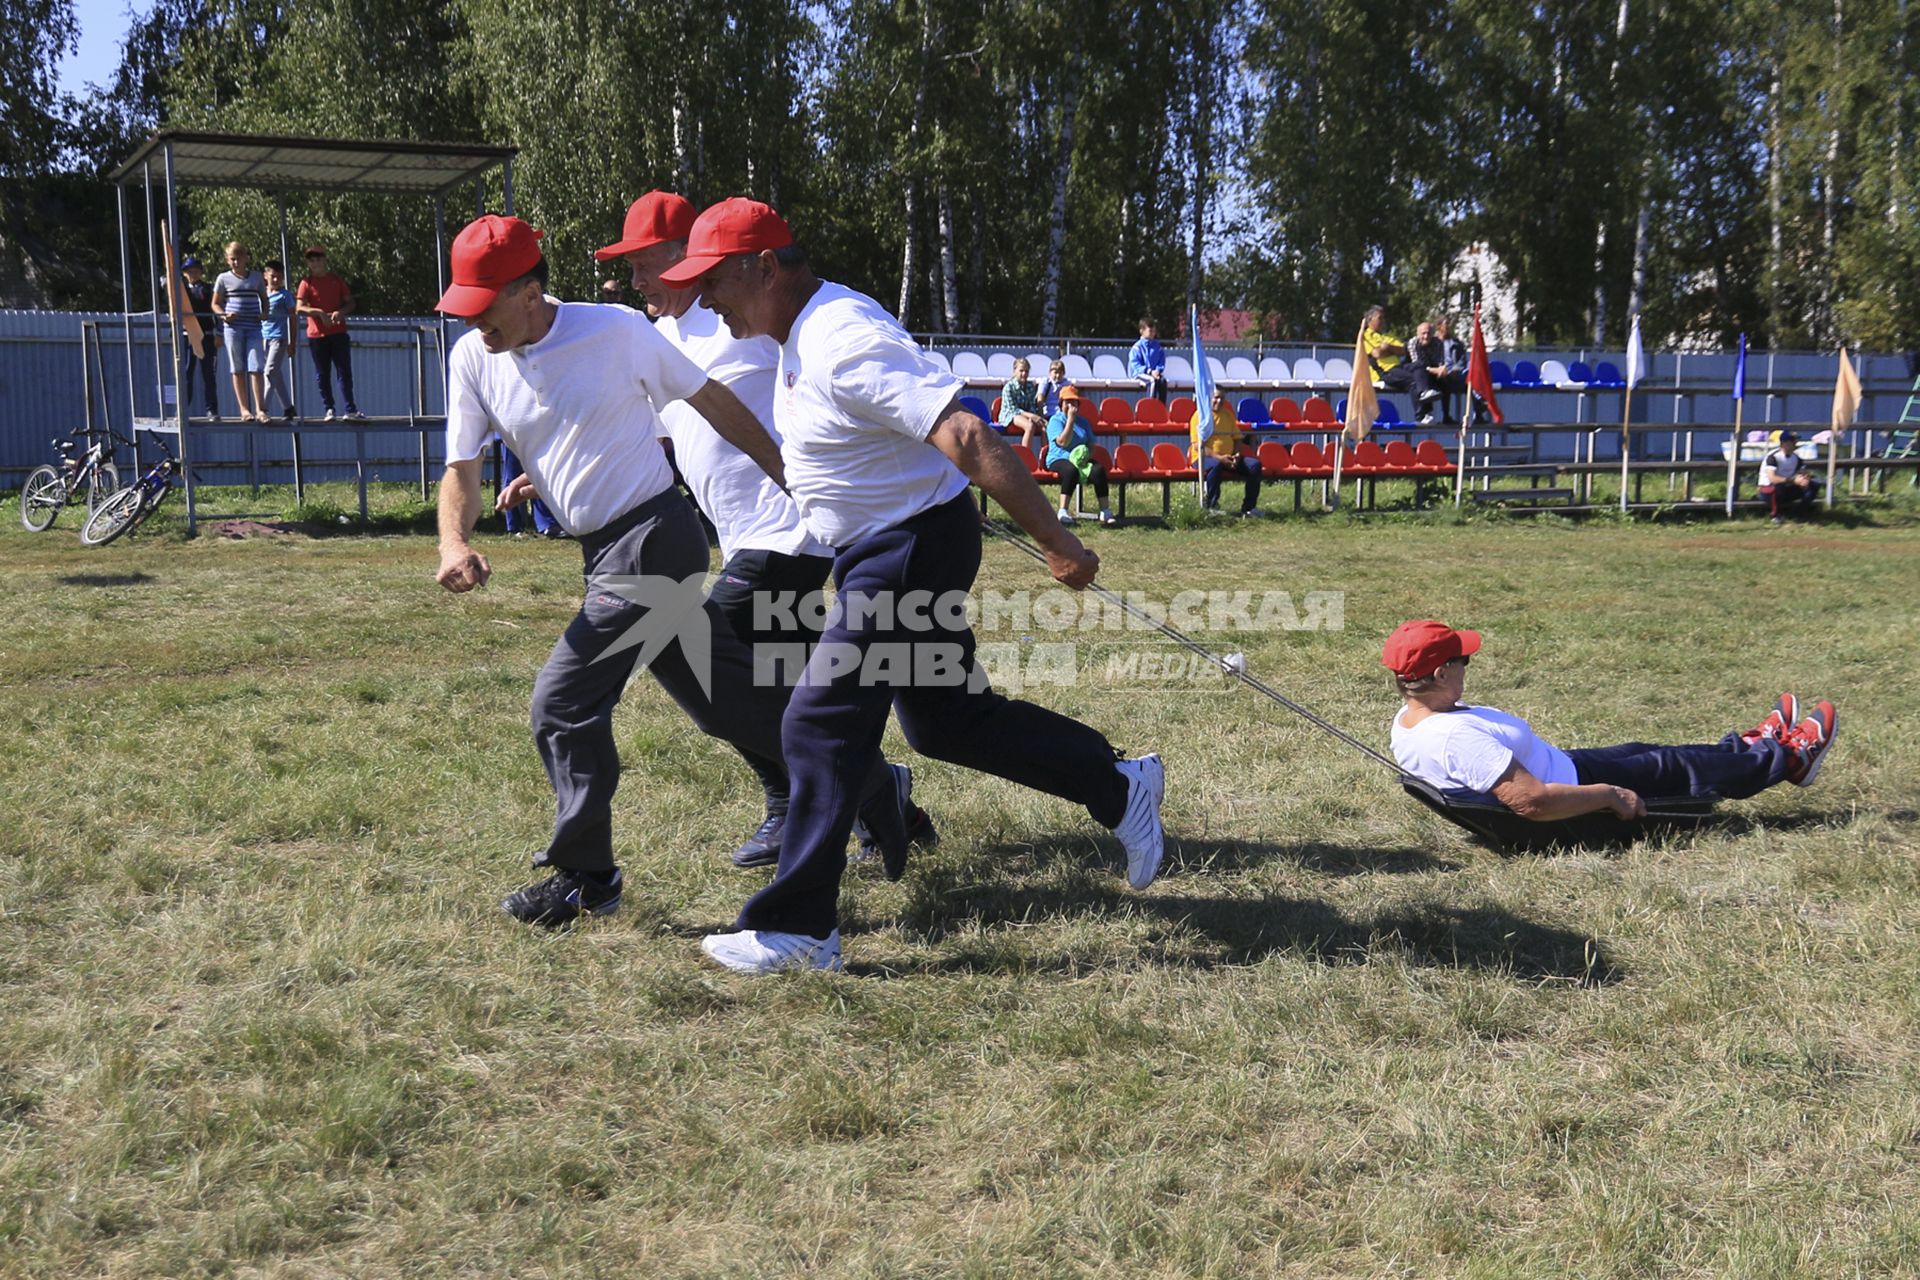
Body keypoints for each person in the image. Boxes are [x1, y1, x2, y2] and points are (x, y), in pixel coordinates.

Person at [658, 197, 1166, 974]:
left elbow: (965, 433)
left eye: (712, 281)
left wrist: (1058, 543)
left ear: (762, 267)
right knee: (944, 723)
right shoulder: (801, 330)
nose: (704, 298)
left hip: (903, 550)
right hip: (892, 544)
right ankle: (1118, 784)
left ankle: (799, 929)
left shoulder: (839, 340)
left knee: (818, 720)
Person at [433, 213, 913, 929]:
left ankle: (588, 878)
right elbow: (461, 470)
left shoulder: (618, 331)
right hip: (602, 549)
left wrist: (791, 477)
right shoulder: (474, 358)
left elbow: (714, 403)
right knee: (727, 701)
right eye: (462, 308)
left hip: (657, 539)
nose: (475, 325)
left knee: (563, 702)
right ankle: (872, 783)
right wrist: (452, 542)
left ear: (530, 292)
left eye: (485, 306)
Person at [596, 188, 935, 871]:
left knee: (718, 665)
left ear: (681, 255)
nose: (633, 281)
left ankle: (801, 802)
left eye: (641, 264)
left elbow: (816, 367)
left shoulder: (736, 321)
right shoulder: (661, 338)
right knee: (782, 687)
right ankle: (882, 796)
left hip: (790, 530)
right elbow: (666, 432)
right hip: (745, 533)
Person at [1383, 619, 1838, 822]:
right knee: (1680, 771)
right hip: (1574, 792)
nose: (1467, 665)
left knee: (1659, 754)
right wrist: (1608, 795)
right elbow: (1532, 803)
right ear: (1441, 673)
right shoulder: (1455, 738)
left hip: (1567, 768)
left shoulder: (1412, 718)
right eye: (1463, 660)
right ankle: (1790, 759)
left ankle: (1751, 746)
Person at [1021, 383, 1113, 526]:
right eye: (1067, 402)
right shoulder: (1055, 420)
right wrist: (1070, 420)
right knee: (1071, 470)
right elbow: (1063, 442)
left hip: (1080, 460)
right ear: (1061, 404)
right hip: (1058, 459)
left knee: (1098, 470)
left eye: (1074, 401)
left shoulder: (1083, 422)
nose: (1071, 405)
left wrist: (1085, 457)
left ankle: (1105, 511)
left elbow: (1091, 444)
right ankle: (1063, 511)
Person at [296, 246, 363, 420]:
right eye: (312, 260)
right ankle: (329, 408)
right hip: (317, 335)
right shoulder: (306, 283)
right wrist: (317, 312)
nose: (315, 263)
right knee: (322, 373)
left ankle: (350, 409)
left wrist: (340, 312)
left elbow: (350, 303)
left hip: (338, 332)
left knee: (344, 371)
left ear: (325, 260)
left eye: (318, 259)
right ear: (308, 264)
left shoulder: (336, 280)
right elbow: (299, 307)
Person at [213, 240, 269, 422]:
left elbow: (264, 298)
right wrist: (224, 315)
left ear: (246, 258)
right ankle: (244, 409)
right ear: (227, 260)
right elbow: (215, 303)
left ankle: (260, 409)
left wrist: (265, 313)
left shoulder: (256, 278)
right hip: (233, 328)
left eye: (239, 258)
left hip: (253, 327)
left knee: (257, 367)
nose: (236, 262)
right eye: (232, 259)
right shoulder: (223, 279)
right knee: (237, 368)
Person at [1189, 386, 1264, 517]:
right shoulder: (1199, 416)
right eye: (1216, 398)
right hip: (1203, 458)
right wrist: (1219, 458)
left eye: (1222, 398)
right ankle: (1211, 507)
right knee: (1215, 465)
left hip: (1228, 458)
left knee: (1254, 465)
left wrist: (1236, 455)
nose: (1219, 401)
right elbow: (1197, 446)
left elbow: (1238, 439)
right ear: (1209, 398)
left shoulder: (1228, 415)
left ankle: (1249, 507)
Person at [179, 257, 221, 418]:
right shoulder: (181, 291)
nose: (193, 274)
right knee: (186, 372)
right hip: (188, 335)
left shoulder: (208, 289)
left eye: (196, 271)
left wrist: (219, 332)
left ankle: (212, 409)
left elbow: (216, 309)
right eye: (190, 271)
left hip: (206, 335)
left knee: (208, 373)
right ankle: (183, 409)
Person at [260, 259, 298, 420]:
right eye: (273, 276)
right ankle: (288, 407)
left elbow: (293, 318)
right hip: (264, 338)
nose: (276, 280)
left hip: (279, 338)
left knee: (269, 372)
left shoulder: (285, 296)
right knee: (276, 375)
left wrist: (292, 342)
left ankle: (263, 408)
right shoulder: (262, 294)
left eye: (279, 277)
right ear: (266, 276)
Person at [1362, 306, 1420, 400]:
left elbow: (1403, 351)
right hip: (1384, 372)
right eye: (1380, 318)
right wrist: (1393, 351)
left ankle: (1426, 412)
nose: (1383, 321)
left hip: (1398, 368)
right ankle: (1422, 414)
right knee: (1413, 380)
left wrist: (1388, 347)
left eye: (1384, 318)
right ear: (1370, 320)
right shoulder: (1365, 336)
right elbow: (1377, 354)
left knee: (1420, 371)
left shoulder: (1388, 336)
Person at [1759, 431, 1815, 524]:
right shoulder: (1773, 457)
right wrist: (1793, 481)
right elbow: (1772, 478)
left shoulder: (1796, 458)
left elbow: (1803, 471)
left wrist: (1805, 479)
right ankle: (1775, 515)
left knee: (1812, 486)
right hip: (1768, 489)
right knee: (1778, 487)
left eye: (1795, 441)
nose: (1795, 444)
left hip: (1787, 487)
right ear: (1784, 443)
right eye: (1792, 441)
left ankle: (1799, 514)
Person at [1403, 319, 1447, 425]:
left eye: (1428, 333)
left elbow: (1440, 361)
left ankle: (1446, 416)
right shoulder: (1413, 343)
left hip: (1430, 370)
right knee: (1419, 373)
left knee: (1446, 382)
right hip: (1411, 369)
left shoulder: (1438, 343)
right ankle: (1422, 414)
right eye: (1423, 333)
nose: (1426, 336)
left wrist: (1442, 369)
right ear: (1418, 334)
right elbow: (1419, 364)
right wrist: (1436, 370)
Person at [997, 357, 1047, 438]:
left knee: (1044, 427)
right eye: (1021, 371)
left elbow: (1032, 405)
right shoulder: (1009, 387)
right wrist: (1031, 416)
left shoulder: (1030, 386)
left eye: (1026, 371)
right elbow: (1013, 409)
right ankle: (1025, 451)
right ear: (1014, 371)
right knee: (1029, 426)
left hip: (1026, 415)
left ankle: (1047, 450)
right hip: (1010, 416)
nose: (1024, 373)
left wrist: (1033, 416)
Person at [1127, 318, 1169, 401]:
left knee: (1163, 382)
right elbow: (1135, 365)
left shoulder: (1157, 346)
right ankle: (1150, 408)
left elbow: (1161, 361)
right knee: (1152, 381)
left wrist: (1158, 370)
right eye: (1150, 331)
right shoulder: (1137, 347)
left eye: (1154, 331)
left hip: (1154, 373)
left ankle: (1161, 409)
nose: (1153, 334)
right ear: (1142, 331)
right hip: (1139, 374)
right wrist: (1149, 371)